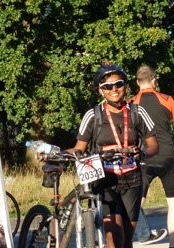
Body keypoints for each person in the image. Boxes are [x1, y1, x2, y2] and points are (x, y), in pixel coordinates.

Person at [40, 62, 159, 248]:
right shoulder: (93, 116)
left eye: (118, 84)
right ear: (100, 91)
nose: (114, 89)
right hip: (104, 180)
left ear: (126, 87)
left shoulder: (138, 112)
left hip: (133, 180)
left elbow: (154, 145)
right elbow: (78, 148)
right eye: (107, 86)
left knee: (127, 240)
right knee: (114, 235)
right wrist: (54, 154)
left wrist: (142, 151)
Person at [130, 65, 174, 248]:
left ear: (137, 81)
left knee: (135, 203)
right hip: (166, 155)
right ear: (154, 80)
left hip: (143, 157)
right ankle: (172, 245)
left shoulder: (131, 103)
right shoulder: (166, 99)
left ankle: (137, 237)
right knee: (173, 203)